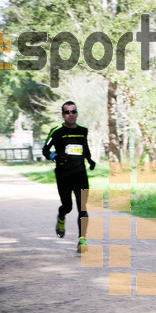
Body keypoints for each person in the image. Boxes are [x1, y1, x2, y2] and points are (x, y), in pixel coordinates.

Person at [42, 101, 96, 254]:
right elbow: (45, 150)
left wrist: (90, 160)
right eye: (67, 112)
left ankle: (82, 239)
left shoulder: (83, 131)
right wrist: (55, 156)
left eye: (73, 111)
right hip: (63, 175)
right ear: (63, 114)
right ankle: (61, 217)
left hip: (80, 175)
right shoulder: (56, 131)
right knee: (68, 207)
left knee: (82, 207)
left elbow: (84, 148)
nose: (71, 115)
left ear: (77, 113)